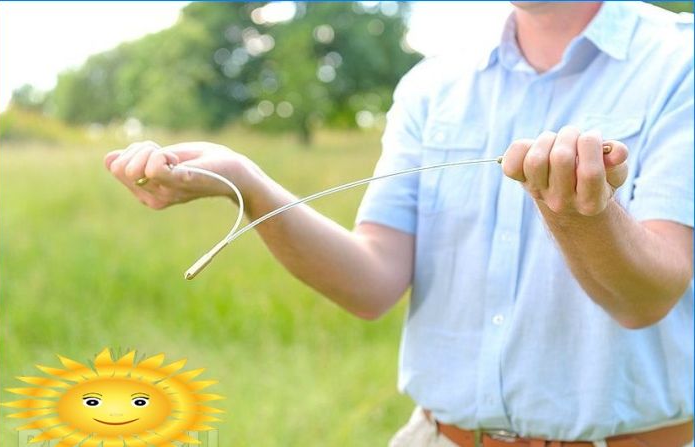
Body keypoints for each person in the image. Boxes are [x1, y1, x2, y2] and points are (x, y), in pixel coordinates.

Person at [105, 2, 693, 446]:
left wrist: (579, 218)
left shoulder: (681, 62)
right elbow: (372, 282)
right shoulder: (432, 85)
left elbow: (646, 298)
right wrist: (250, 186)